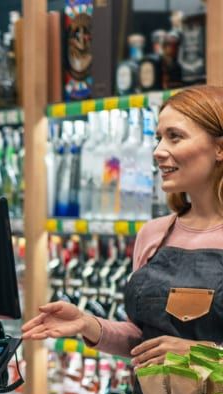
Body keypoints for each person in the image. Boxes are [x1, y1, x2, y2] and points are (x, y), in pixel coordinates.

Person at [23, 86, 223, 371]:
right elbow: (142, 340)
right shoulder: (154, 235)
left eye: (175, 137)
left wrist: (203, 354)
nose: (158, 151)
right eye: (158, 138)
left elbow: (182, 351)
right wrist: (88, 324)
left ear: (219, 148)